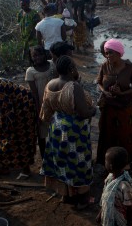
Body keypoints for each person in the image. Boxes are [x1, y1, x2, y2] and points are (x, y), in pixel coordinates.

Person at [40, 56, 95, 210]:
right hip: (74, 131)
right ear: (71, 69)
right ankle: (83, 199)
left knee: (61, 160)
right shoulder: (73, 86)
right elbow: (84, 113)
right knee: (79, 162)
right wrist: (94, 110)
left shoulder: (50, 84)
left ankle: (66, 194)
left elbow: (45, 111)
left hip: (57, 128)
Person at [96, 39, 132, 172]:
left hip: (124, 108)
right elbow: (99, 82)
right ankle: (107, 163)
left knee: (125, 135)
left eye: (110, 53)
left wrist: (122, 92)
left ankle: (128, 163)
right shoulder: (105, 66)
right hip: (108, 108)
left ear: (118, 53)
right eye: (106, 53)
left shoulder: (130, 68)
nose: (107, 56)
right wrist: (104, 91)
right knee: (107, 135)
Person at [25, 46, 55, 159]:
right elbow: (34, 94)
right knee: (41, 133)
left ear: (44, 54)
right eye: (34, 56)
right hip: (41, 104)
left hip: (54, 103)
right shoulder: (30, 71)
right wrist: (39, 110)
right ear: (31, 58)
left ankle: (56, 155)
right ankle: (44, 158)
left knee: (55, 130)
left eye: (40, 54)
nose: (37, 57)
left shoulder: (52, 65)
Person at [97, 147, 132, 226]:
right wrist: (100, 213)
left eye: (105, 161)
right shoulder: (110, 177)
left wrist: (129, 223)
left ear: (111, 166)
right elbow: (106, 198)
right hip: (108, 214)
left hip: (119, 219)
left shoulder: (125, 186)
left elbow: (129, 207)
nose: (104, 162)